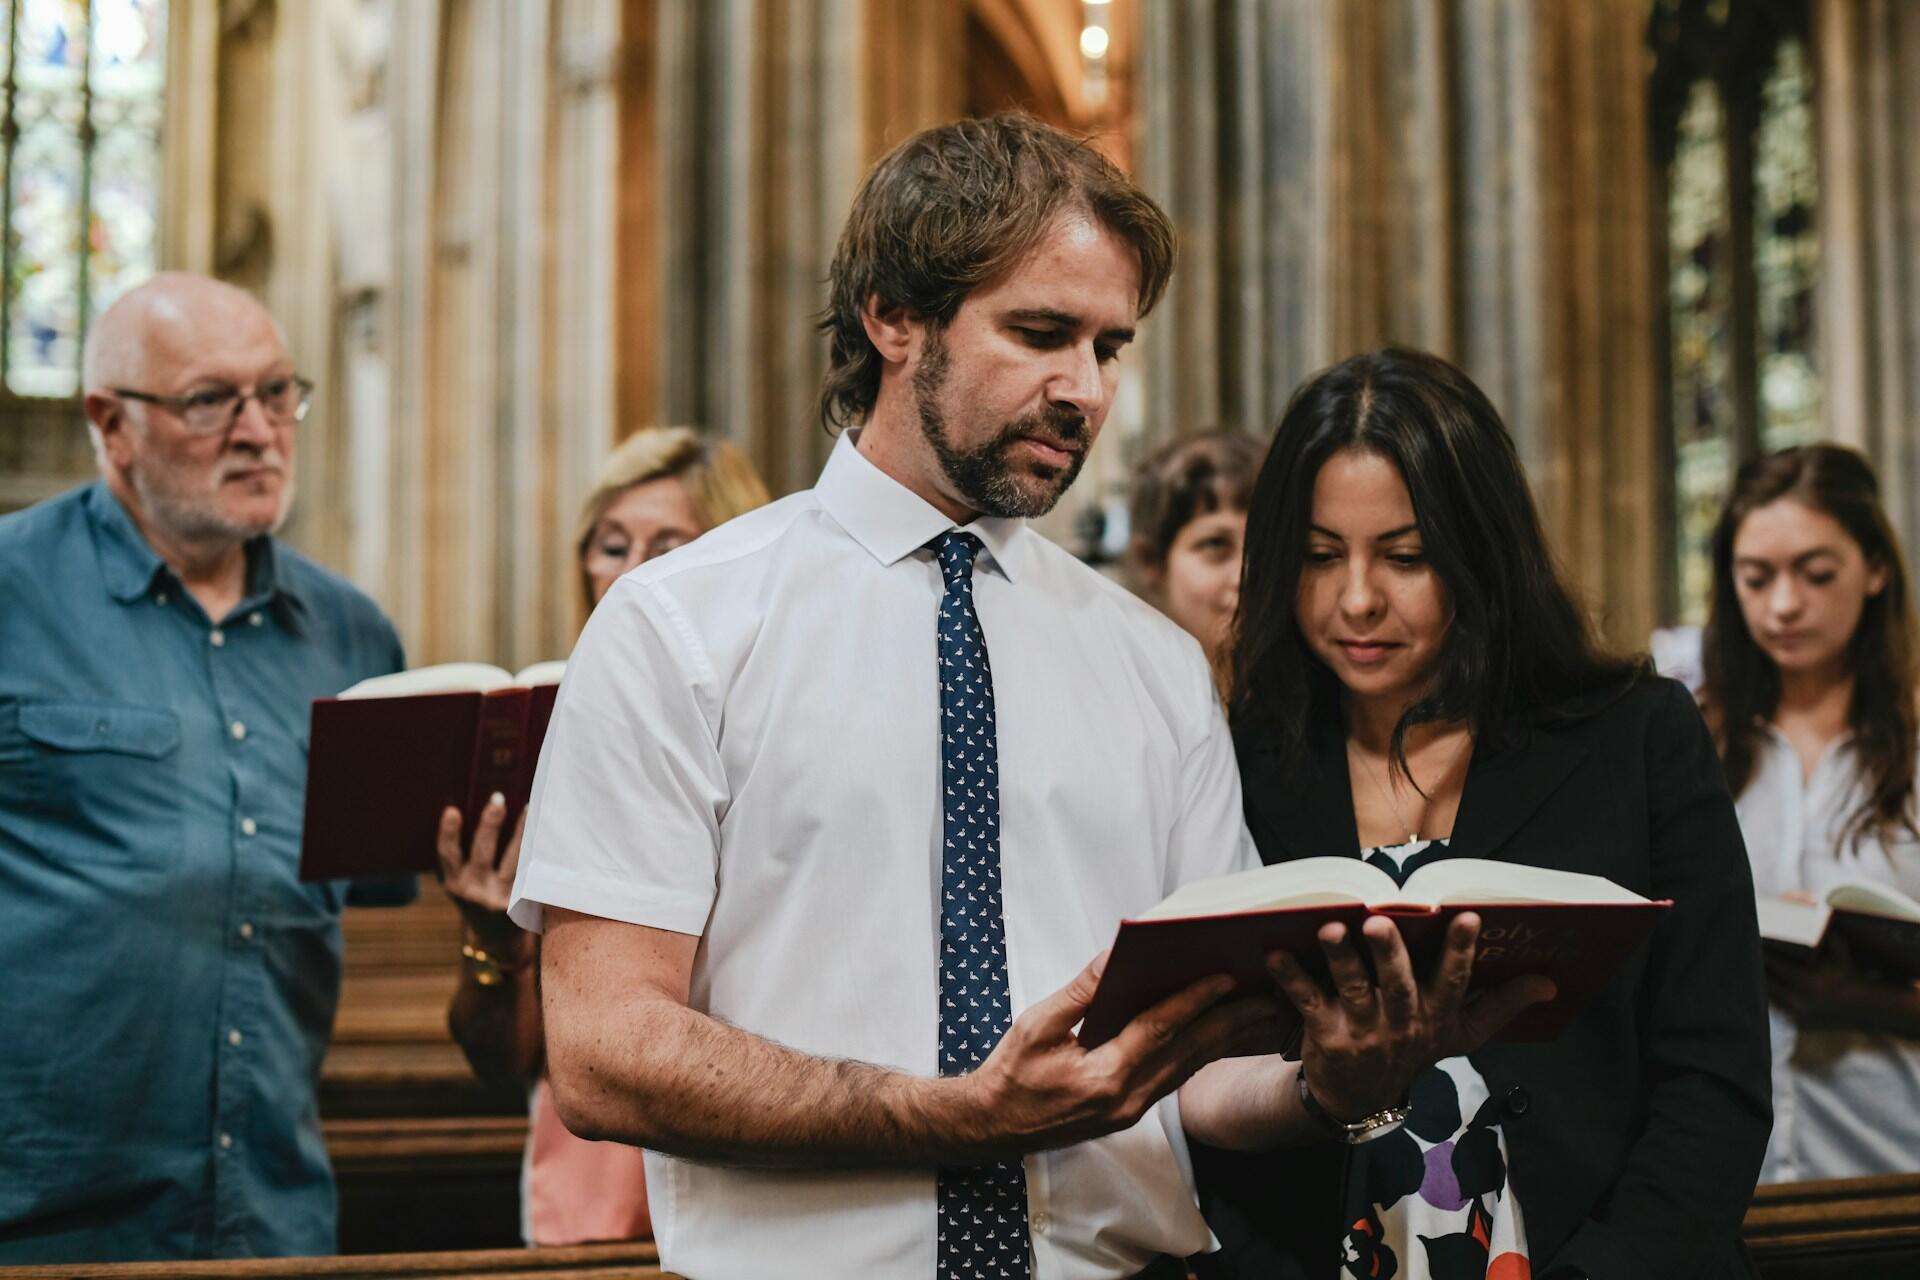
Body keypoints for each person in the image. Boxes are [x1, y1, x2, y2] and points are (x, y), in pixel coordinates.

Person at [505, 115, 1549, 1280]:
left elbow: (1198, 1067)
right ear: (894, 317)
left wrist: (1330, 1082)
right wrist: (952, 1112)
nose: (1085, 391)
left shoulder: (1151, 664)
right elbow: (601, 1049)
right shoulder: (679, 625)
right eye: (1042, 332)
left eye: (1111, 346)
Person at [1202, 348, 1772, 1280]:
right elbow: (1213, 1088)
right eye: (1317, 556)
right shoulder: (1244, 763)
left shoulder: (1633, 738)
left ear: (1478, 552)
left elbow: (1715, 1079)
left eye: (1406, 556)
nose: (1356, 599)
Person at [0, 273, 414, 1262]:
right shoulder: (13, 592)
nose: (259, 429)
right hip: (41, 1221)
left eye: (277, 393)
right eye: (209, 400)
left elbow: (380, 886)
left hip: (269, 1217)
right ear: (111, 422)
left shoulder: (353, 634)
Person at [435, 426, 771, 1246]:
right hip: (598, 1167)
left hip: (762, 1143)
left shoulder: (777, 718)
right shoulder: (552, 726)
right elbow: (504, 1056)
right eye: (610, 545)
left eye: (668, 545)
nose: (629, 573)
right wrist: (490, 936)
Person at [1698, 443, 1920, 1182]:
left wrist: (1866, 997)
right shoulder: (1692, 744)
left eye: (1816, 574)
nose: (1784, 604)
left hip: (1891, 1165)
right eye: (1756, 578)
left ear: (1877, 569)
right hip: (1729, 1185)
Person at [1126, 429, 1264, 690]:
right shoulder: (1131, 697)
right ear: (1151, 561)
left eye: (1266, 546)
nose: (1247, 576)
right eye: (1215, 544)